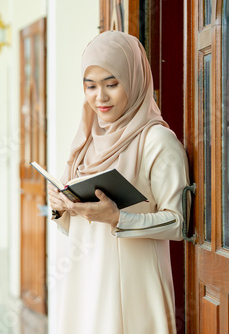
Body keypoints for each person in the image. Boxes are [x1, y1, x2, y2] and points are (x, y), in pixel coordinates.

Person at [48, 31, 190, 334]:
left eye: (112, 84)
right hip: (84, 280)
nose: (100, 97)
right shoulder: (86, 140)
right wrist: (60, 207)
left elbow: (179, 223)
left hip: (133, 285)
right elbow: (75, 221)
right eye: (91, 86)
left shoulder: (158, 141)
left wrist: (118, 218)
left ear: (135, 80)